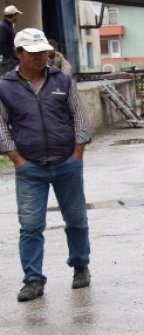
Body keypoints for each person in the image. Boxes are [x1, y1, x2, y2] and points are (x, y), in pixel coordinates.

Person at [0, 27, 92, 302]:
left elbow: (79, 117)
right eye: (34, 52)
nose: (41, 56)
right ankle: (32, 280)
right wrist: (17, 159)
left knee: (76, 219)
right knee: (30, 225)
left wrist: (77, 153)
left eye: (43, 52)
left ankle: (80, 266)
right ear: (18, 54)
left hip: (67, 163)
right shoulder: (5, 86)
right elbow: (1, 125)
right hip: (30, 168)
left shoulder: (62, 79)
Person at [0, 4, 20, 74]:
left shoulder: (8, 26)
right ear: (14, 15)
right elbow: (2, 43)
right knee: (9, 78)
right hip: (8, 61)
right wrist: (9, 57)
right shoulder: (3, 26)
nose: (17, 17)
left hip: (12, 59)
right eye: (17, 15)